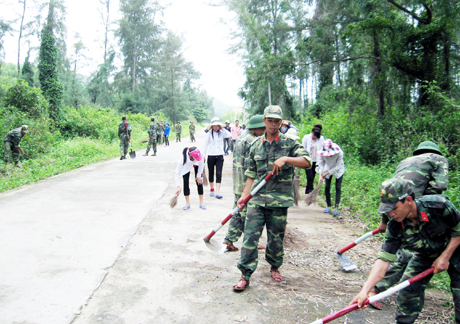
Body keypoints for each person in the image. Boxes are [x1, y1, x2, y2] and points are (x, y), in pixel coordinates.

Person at [349, 178, 460, 324]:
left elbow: (458, 229)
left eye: (394, 208)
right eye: (388, 211)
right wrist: (364, 291)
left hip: (456, 248)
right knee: (408, 291)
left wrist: (445, 257)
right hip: (426, 255)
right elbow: (383, 260)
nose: (392, 214)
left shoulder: (437, 205)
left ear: (408, 200)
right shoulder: (395, 226)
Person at [232, 105, 311, 291]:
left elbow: (307, 161)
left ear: (281, 122)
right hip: (257, 200)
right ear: (264, 121)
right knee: (250, 237)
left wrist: (286, 160)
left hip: (279, 200)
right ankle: (245, 275)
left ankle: (275, 266)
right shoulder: (255, 145)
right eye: (270, 120)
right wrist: (244, 196)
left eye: (277, 121)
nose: (273, 124)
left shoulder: (289, 144)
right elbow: (251, 173)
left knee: (276, 239)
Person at [368, 140, 449, 310]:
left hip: (395, 204)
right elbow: (441, 185)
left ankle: (376, 288)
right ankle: (376, 289)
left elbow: (390, 195)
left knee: (402, 249)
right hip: (412, 206)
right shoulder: (438, 159)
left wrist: (384, 221)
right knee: (406, 252)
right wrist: (428, 203)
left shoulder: (404, 162)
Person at [223, 115, 266, 252]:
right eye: (263, 129)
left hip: (238, 182)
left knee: (237, 212)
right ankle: (251, 242)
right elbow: (255, 165)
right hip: (247, 184)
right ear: (256, 128)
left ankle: (229, 240)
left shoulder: (241, 137)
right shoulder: (254, 141)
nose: (264, 131)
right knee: (250, 215)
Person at [203, 117, 232, 199]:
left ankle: (217, 192)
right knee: (211, 173)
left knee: (219, 174)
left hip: (220, 155)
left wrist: (222, 129)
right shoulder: (209, 134)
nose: (216, 127)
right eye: (214, 126)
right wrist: (203, 156)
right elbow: (205, 145)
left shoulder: (222, 133)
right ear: (212, 126)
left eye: (217, 126)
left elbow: (230, 135)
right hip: (211, 155)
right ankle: (212, 189)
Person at [316, 139, 345, 216]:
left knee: (338, 187)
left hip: (338, 169)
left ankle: (336, 207)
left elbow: (338, 166)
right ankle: (328, 206)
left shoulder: (339, 152)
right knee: (327, 187)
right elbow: (321, 164)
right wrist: (320, 175)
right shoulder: (321, 153)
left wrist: (327, 173)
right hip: (327, 168)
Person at [302, 126, 325, 194]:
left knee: (313, 176)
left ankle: (307, 191)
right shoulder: (306, 137)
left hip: (316, 160)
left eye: (316, 136)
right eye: (313, 135)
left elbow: (322, 149)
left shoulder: (321, 139)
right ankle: (311, 192)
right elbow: (303, 147)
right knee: (310, 176)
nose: (314, 137)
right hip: (308, 160)